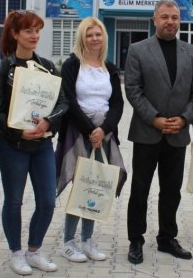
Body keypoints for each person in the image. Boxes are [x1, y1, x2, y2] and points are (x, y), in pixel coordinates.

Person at [0, 10, 68, 276]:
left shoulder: (47, 66)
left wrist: (48, 122)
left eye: (37, 30)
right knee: (14, 201)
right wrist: (18, 132)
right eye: (28, 31)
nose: (34, 36)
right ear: (15, 34)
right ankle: (16, 253)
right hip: (12, 146)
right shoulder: (3, 68)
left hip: (42, 145)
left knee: (47, 201)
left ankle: (34, 252)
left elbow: (62, 102)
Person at [124, 0, 193, 264]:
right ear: (154, 20)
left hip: (178, 134)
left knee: (172, 190)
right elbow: (133, 89)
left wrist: (184, 119)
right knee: (140, 189)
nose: (171, 21)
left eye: (175, 17)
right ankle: (136, 240)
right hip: (147, 133)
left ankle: (167, 238)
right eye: (165, 17)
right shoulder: (138, 50)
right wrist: (155, 118)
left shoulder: (192, 52)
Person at [55, 17, 126, 263]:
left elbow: (117, 102)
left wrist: (104, 129)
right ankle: (68, 242)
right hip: (78, 133)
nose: (95, 38)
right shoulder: (72, 65)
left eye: (98, 34)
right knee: (80, 185)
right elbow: (69, 100)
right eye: (89, 34)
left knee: (97, 185)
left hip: (103, 135)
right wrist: (90, 130)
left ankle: (87, 240)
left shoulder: (110, 66)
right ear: (82, 37)